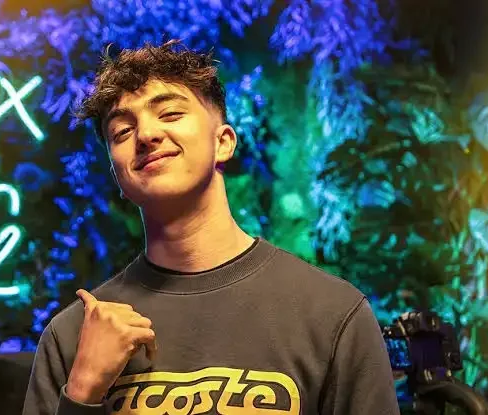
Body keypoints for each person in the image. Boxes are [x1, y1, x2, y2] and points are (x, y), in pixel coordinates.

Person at [22, 40, 400, 415]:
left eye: (170, 114)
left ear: (224, 143)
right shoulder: (72, 336)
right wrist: (83, 391)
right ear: (117, 174)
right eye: (122, 131)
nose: (146, 135)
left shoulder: (332, 314)